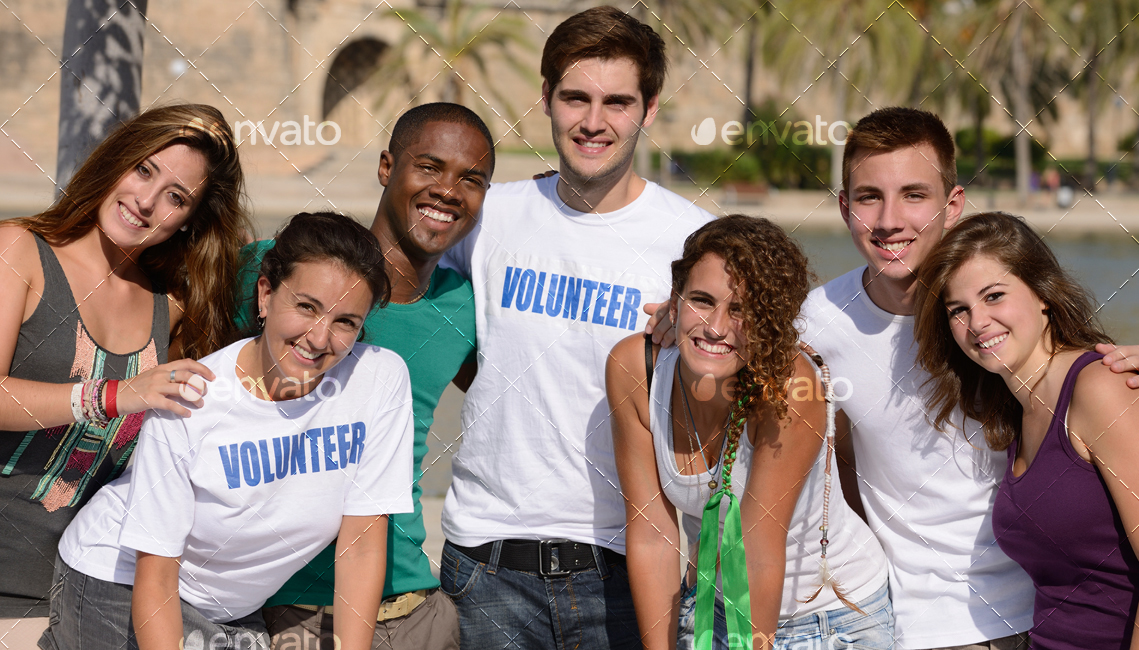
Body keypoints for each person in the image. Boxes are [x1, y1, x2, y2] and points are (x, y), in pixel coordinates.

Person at [794, 107, 1139, 650]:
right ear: (845, 207)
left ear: (952, 205)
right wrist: (679, 321)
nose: (890, 219)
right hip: (906, 621)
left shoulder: (1026, 337)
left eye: (914, 194)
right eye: (869, 197)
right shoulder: (816, 325)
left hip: (1036, 612)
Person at [437, 6, 714, 648]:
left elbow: (759, 386)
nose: (593, 121)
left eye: (617, 102)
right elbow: (400, 298)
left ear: (648, 109)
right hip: (485, 566)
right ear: (546, 99)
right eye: (575, 98)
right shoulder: (487, 216)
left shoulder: (695, 242)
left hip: (628, 567)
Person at [39, 211, 415, 650]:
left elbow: (362, 546)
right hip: (120, 580)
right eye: (306, 307)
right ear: (266, 294)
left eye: (345, 322)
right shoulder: (191, 400)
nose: (318, 338)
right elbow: (156, 575)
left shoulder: (379, 380)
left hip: (229, 608)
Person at [240, 103, 491, 650]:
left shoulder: (466, 309)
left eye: (471, 180)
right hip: (292, 606)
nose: (448, 190)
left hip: (417, 608)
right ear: (386, 167)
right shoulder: (275, 269)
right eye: (429, 167)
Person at [0, 103, 251, 645]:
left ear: (189, 220)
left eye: (176, 197)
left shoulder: (172, 306)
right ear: (116, 160)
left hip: (87, 596)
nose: (146, 201)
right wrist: (116, 394)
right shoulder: (18, 250)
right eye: (143, 170)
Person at [609, 215, 891, 649]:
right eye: (702, 300)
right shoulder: (636, 369)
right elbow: (652, 536)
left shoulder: (790, 391)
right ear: (675, 300)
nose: (716, 327)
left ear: (770, 322)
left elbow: (758, 549)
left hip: (832, 621)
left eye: (741, 310)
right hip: (712, 608)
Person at [912, 212, 1139, 649]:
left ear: (1043, 294)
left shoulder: (1100, 387)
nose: (977, 322)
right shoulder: (1018, 412)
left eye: (994, 296)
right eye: (958, 310)